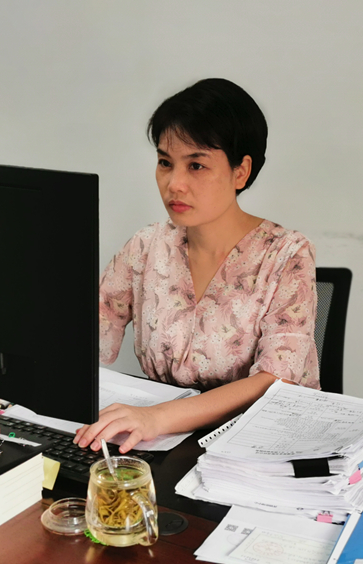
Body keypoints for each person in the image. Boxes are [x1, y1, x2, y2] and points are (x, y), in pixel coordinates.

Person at [75, 78, 319, 454]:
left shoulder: (286, 255)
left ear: (241, 172)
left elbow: (275, 381)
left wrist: (157, 418)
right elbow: (84, 337)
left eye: (196, 166)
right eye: (165, 163)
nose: (175, 184)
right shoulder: (147, 246)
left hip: (261, 445)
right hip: (167, 444)